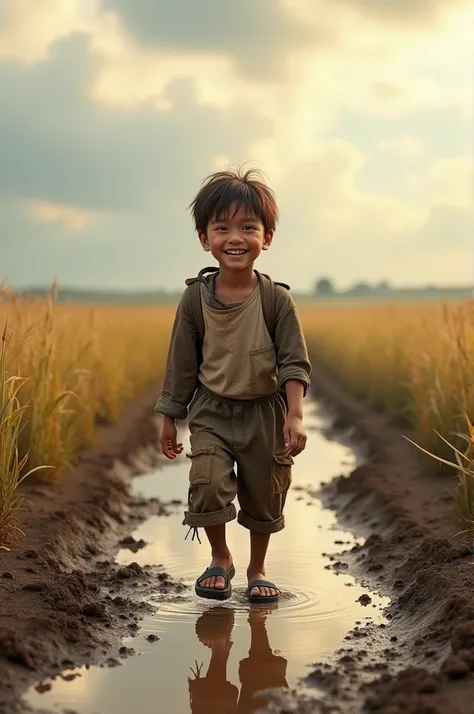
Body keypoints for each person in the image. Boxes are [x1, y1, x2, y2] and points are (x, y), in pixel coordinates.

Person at [155, 167, 311, 603]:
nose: (235, 238)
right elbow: (181, 364)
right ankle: (220, 556)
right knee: (206, 483)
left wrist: (294, 416)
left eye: (248, 227)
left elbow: (294, 362)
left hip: (266, 412)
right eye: (221, 227)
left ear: (268, 237)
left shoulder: (276, 299)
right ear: (205, 239)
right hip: (211, 411)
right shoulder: (194, 299)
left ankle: (258, 568)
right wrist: (169, 418)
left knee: (265, 493)